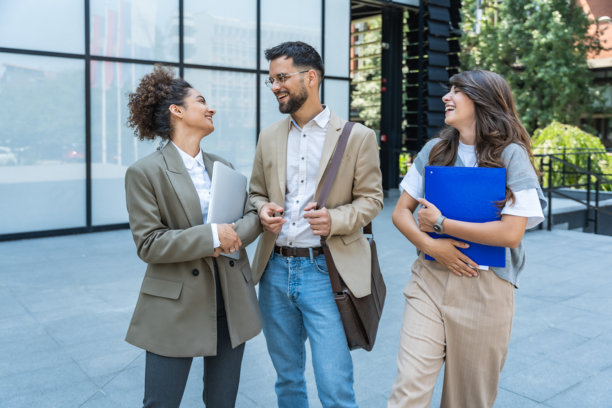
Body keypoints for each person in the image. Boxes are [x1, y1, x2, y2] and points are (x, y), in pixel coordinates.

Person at [388, 70, 546, 408]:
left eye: (458, 91)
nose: (447, 96)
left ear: (483, 100)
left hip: (485, 289)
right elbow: (401, 212)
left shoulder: (511, 155)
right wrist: (431, 245)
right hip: (428, 281)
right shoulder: (435, 149)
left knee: (468, 401)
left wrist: (442, 224)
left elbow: (511, 232)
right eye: (448, 90)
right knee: (408, 392)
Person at [249, 41, 384, 408]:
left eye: (282, 77)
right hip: (275, 269)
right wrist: (262, 210)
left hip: (325, 272)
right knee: (287, 379)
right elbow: (255, 193)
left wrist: (335, 220)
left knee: (334, 386)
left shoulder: (358, 137)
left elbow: (372, 200)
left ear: (311, 77)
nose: (275, 86)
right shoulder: (269, 136)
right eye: (271, 80)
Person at [124, 65, 262, 408]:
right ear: (177, 111)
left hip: (229, 300)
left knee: (222, 401)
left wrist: (232, 233)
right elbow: (149, 243)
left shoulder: (221, 165)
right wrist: (213, 235)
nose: (210, 107)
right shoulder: (145, 172)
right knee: (161, 402)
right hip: (175, 305)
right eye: (201, 101)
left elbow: (250, 217)